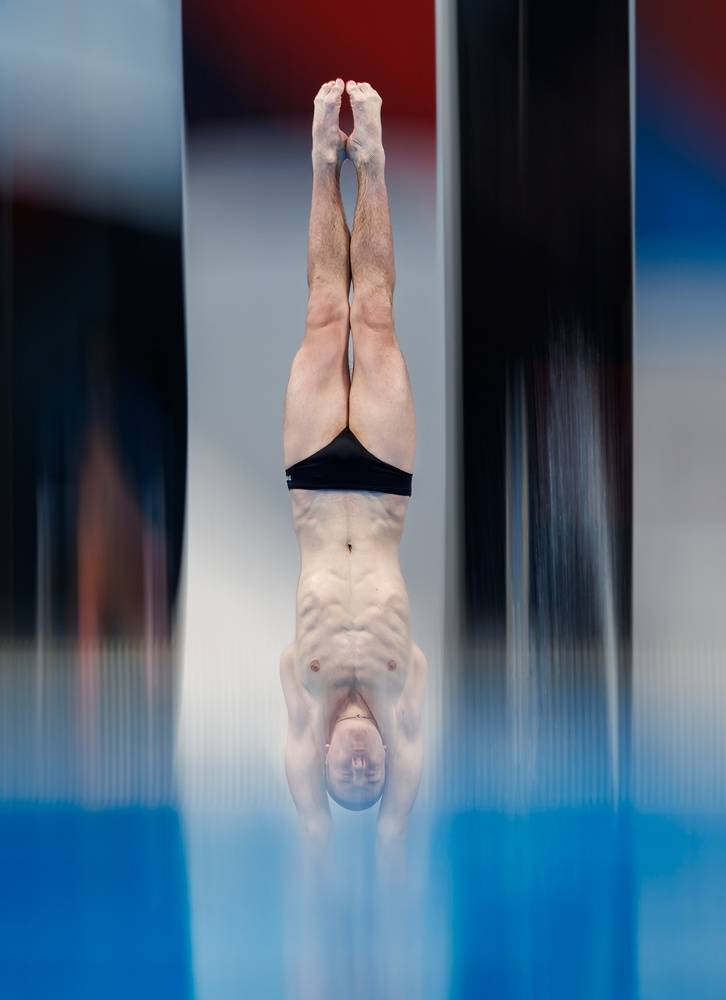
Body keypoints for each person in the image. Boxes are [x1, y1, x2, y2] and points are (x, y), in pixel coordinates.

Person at [279, 80, 425, 849]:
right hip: (380, 493)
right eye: (375, 779)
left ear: (324, 757)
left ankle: (317, 164)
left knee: (322, 310)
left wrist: (323, 828)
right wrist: (391, 820)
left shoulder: (303, 697)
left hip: (310, 482)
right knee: (372, 313)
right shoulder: (404, 697)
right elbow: (397, 833)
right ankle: (368, 161)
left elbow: (312, 834)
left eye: (348, 778)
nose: (363, 771)